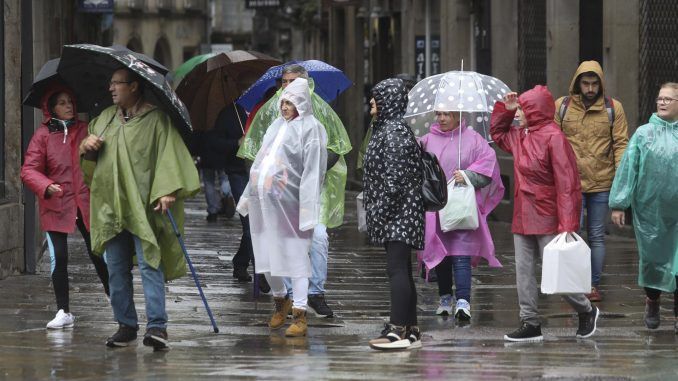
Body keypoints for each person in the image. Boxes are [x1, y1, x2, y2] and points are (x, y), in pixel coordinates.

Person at [79, 67, 200, 350]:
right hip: (111, 205)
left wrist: (168, 190)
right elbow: (90, 163)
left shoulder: (157, 121)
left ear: (134, 86)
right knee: (116, 268)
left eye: (116, 83)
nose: (111, 88)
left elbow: (170, 158)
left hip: (145, 206)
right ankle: (126, 325)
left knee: (150, 264)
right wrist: (87, 145)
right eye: (110, 83)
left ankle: (157, 327)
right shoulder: (104, 120)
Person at [238, 64, 352, 318]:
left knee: (314, 241)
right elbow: (258, 154)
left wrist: (314, 169)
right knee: (271, 248)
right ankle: (286, 298)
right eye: (284, 82)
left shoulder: (317, 118)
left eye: (293, 82)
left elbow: (333, 149)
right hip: (273, 195)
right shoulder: (272, 116)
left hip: (306, 192)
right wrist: (258, 185)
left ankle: (313, 295)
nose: (286, 88)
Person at [490, 86, 599, 342]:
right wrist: (505, 112)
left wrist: (568, 224)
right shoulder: (521, 135)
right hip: (523, 214)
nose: (518, 115)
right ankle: (530, 322)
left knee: (558, 272)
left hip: (548, 215)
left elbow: (567, 183)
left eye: (521, 110)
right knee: (523, 273)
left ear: (534, 110)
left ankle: (586, 309)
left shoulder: (554, 138)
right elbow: (498, 134)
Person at [236, 78, 327, 337]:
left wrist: (308, 208)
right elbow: (261, 162)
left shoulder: (312, 129)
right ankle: (280, 302)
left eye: (290, 102)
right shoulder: (275, 126)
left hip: (293, 203)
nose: (285, 107)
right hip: (265, 203)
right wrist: (248, 196)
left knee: (296, 256)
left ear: (302, 103)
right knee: (266, 256)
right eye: (283, 102)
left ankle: (299, 313)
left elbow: (313, 171)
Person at [21, 84, 110, 329]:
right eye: (62, 102)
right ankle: (63, 311)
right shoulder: (42, 135)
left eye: (70, 101)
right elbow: (29, 170)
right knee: (58, 257)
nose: (68, 105)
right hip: (56, 204)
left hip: (85, 202)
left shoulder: (85, 130)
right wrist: (46, 185)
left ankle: (116, 298)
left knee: (99, 253)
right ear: (51, 108)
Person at [418, 110, 504, 320]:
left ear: (458, 115)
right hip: (437, 209)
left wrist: (467, 175)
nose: (442, 119)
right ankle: (445, 297)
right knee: (443, 256)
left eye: (447, 114)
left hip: (462, 208)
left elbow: (488, 165)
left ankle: (463, 301)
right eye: (439, 114)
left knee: (461, 255)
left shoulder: (474, 139)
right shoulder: (426, 141)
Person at [555, 61, 629, 302]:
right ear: (577, 83)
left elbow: (621, 144)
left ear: (601, 84)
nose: (589, 88)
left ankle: (592, 285)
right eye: (585, 83)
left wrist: (620, 177)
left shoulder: (612, 108)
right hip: (571, 184)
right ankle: (572, 287)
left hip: (601, 183)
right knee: (570, 234)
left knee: (596, 235)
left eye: (594, 83)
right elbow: (553, 141)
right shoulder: (562, 106)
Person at [609, 82, 678, 333]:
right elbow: (628, 169)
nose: (661, 102)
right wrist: (619, 204)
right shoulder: (643, 134)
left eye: (668, 99)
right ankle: (653, 301)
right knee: (653, 261)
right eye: (660, 98)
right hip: (651, 213)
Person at [363, 78, 424, 350]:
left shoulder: (394, 131)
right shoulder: (388, 128)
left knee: (397, 269)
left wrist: (379, 211)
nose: (371, 101)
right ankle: (410, 328)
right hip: (401, 212)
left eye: (377, 97)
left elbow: (395, 180)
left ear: (390, 100)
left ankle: (398, 330)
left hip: (399, 212)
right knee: (402, 270)